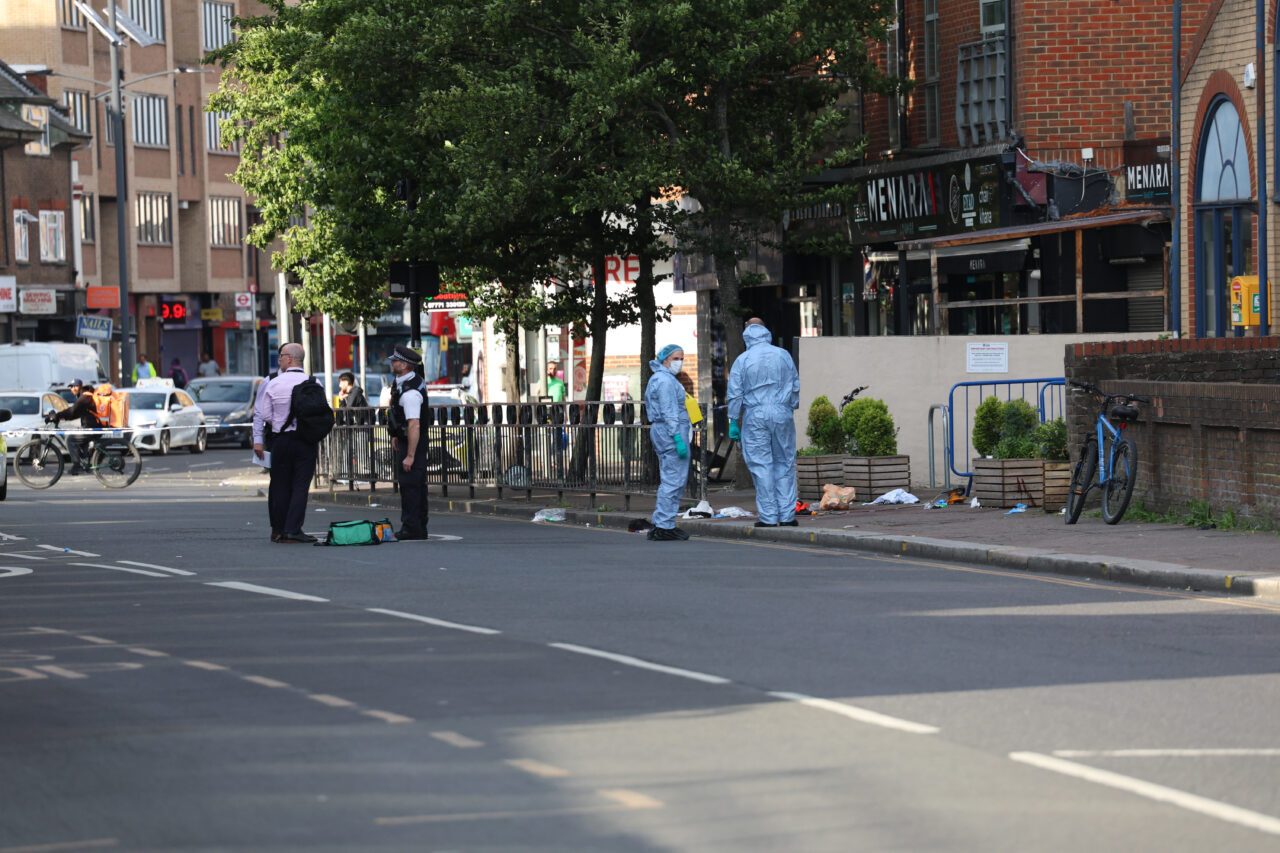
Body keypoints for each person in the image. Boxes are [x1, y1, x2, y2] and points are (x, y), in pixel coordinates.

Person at [727, 320, 800, 528]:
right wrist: (789, 406)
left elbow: (735, 393)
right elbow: (795, 385)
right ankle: (787, 515)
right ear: (766, 331)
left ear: (746, 334)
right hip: (781, 412)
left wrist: (733, 420)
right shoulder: (783, 355)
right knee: (784, 462)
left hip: (756, 414)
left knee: (762, 465)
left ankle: (769, 517)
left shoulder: (743, 359)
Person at [252, 342, 317, 544]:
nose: (279, 359)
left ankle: (279, 529)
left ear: (289, 359)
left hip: (280, 440)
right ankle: (293, 529)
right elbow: (320, 413)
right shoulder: (313, 382)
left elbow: (263, 414)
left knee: (279, 485)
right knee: (300, 486)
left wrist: (267, 433)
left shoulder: (272, 383)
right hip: (306, 441)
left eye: (281, 356)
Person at [645, 344, 692, 541]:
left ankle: (662, 522)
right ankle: (664, 525)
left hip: (664, 432)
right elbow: (669, 411)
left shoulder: (662, 378)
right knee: (674, 479)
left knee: (670, 478)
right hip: (670, 432)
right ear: (665, 360)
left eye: (681, 358)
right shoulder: (665, 381)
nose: (679, 362)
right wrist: (677, 437)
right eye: (675, 358)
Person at [386, 345, 429, 540]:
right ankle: (417, 527)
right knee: (413, 485)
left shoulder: (410, 391)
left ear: (404, 365)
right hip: (405, 439)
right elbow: (399, 415)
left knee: (411, 486)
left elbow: (414, 424)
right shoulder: (404, 383)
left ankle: (412, 527)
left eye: (395, 361)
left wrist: (410, 455)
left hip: (413, 443)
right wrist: (395, 434)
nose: (392, 363)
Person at [46, 379, 97, 475]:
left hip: (91, 428)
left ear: (80, 386)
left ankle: (77, 466)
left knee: (70, 439)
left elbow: (72, 411)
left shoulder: (85, 397)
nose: (73, 388)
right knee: (78, 438)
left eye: (75, 386)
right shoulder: (84, 396)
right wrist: (60, 417)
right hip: (90, 426)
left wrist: (57, 416)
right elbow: (75, 413)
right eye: (71, 387)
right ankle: (86, 462)